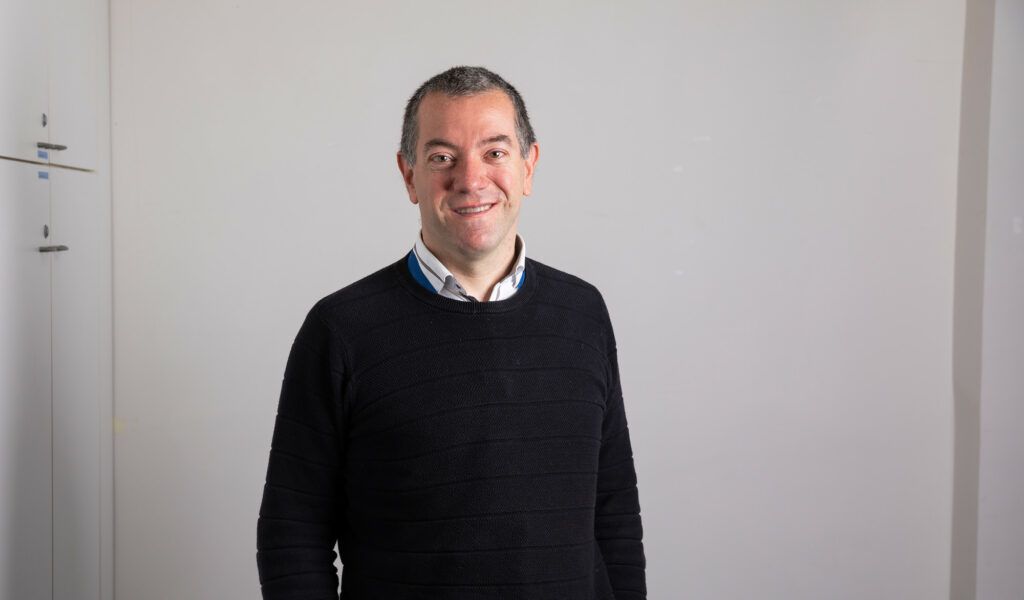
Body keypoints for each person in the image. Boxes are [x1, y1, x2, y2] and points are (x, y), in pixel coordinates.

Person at [256, 66, 647, 600]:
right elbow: (292, 537)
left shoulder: (583, 313)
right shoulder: (341, 330)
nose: (470, 179)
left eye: (495, 152)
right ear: (408, 175)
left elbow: (615, 514)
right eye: (442, 157)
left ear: (528, 166)